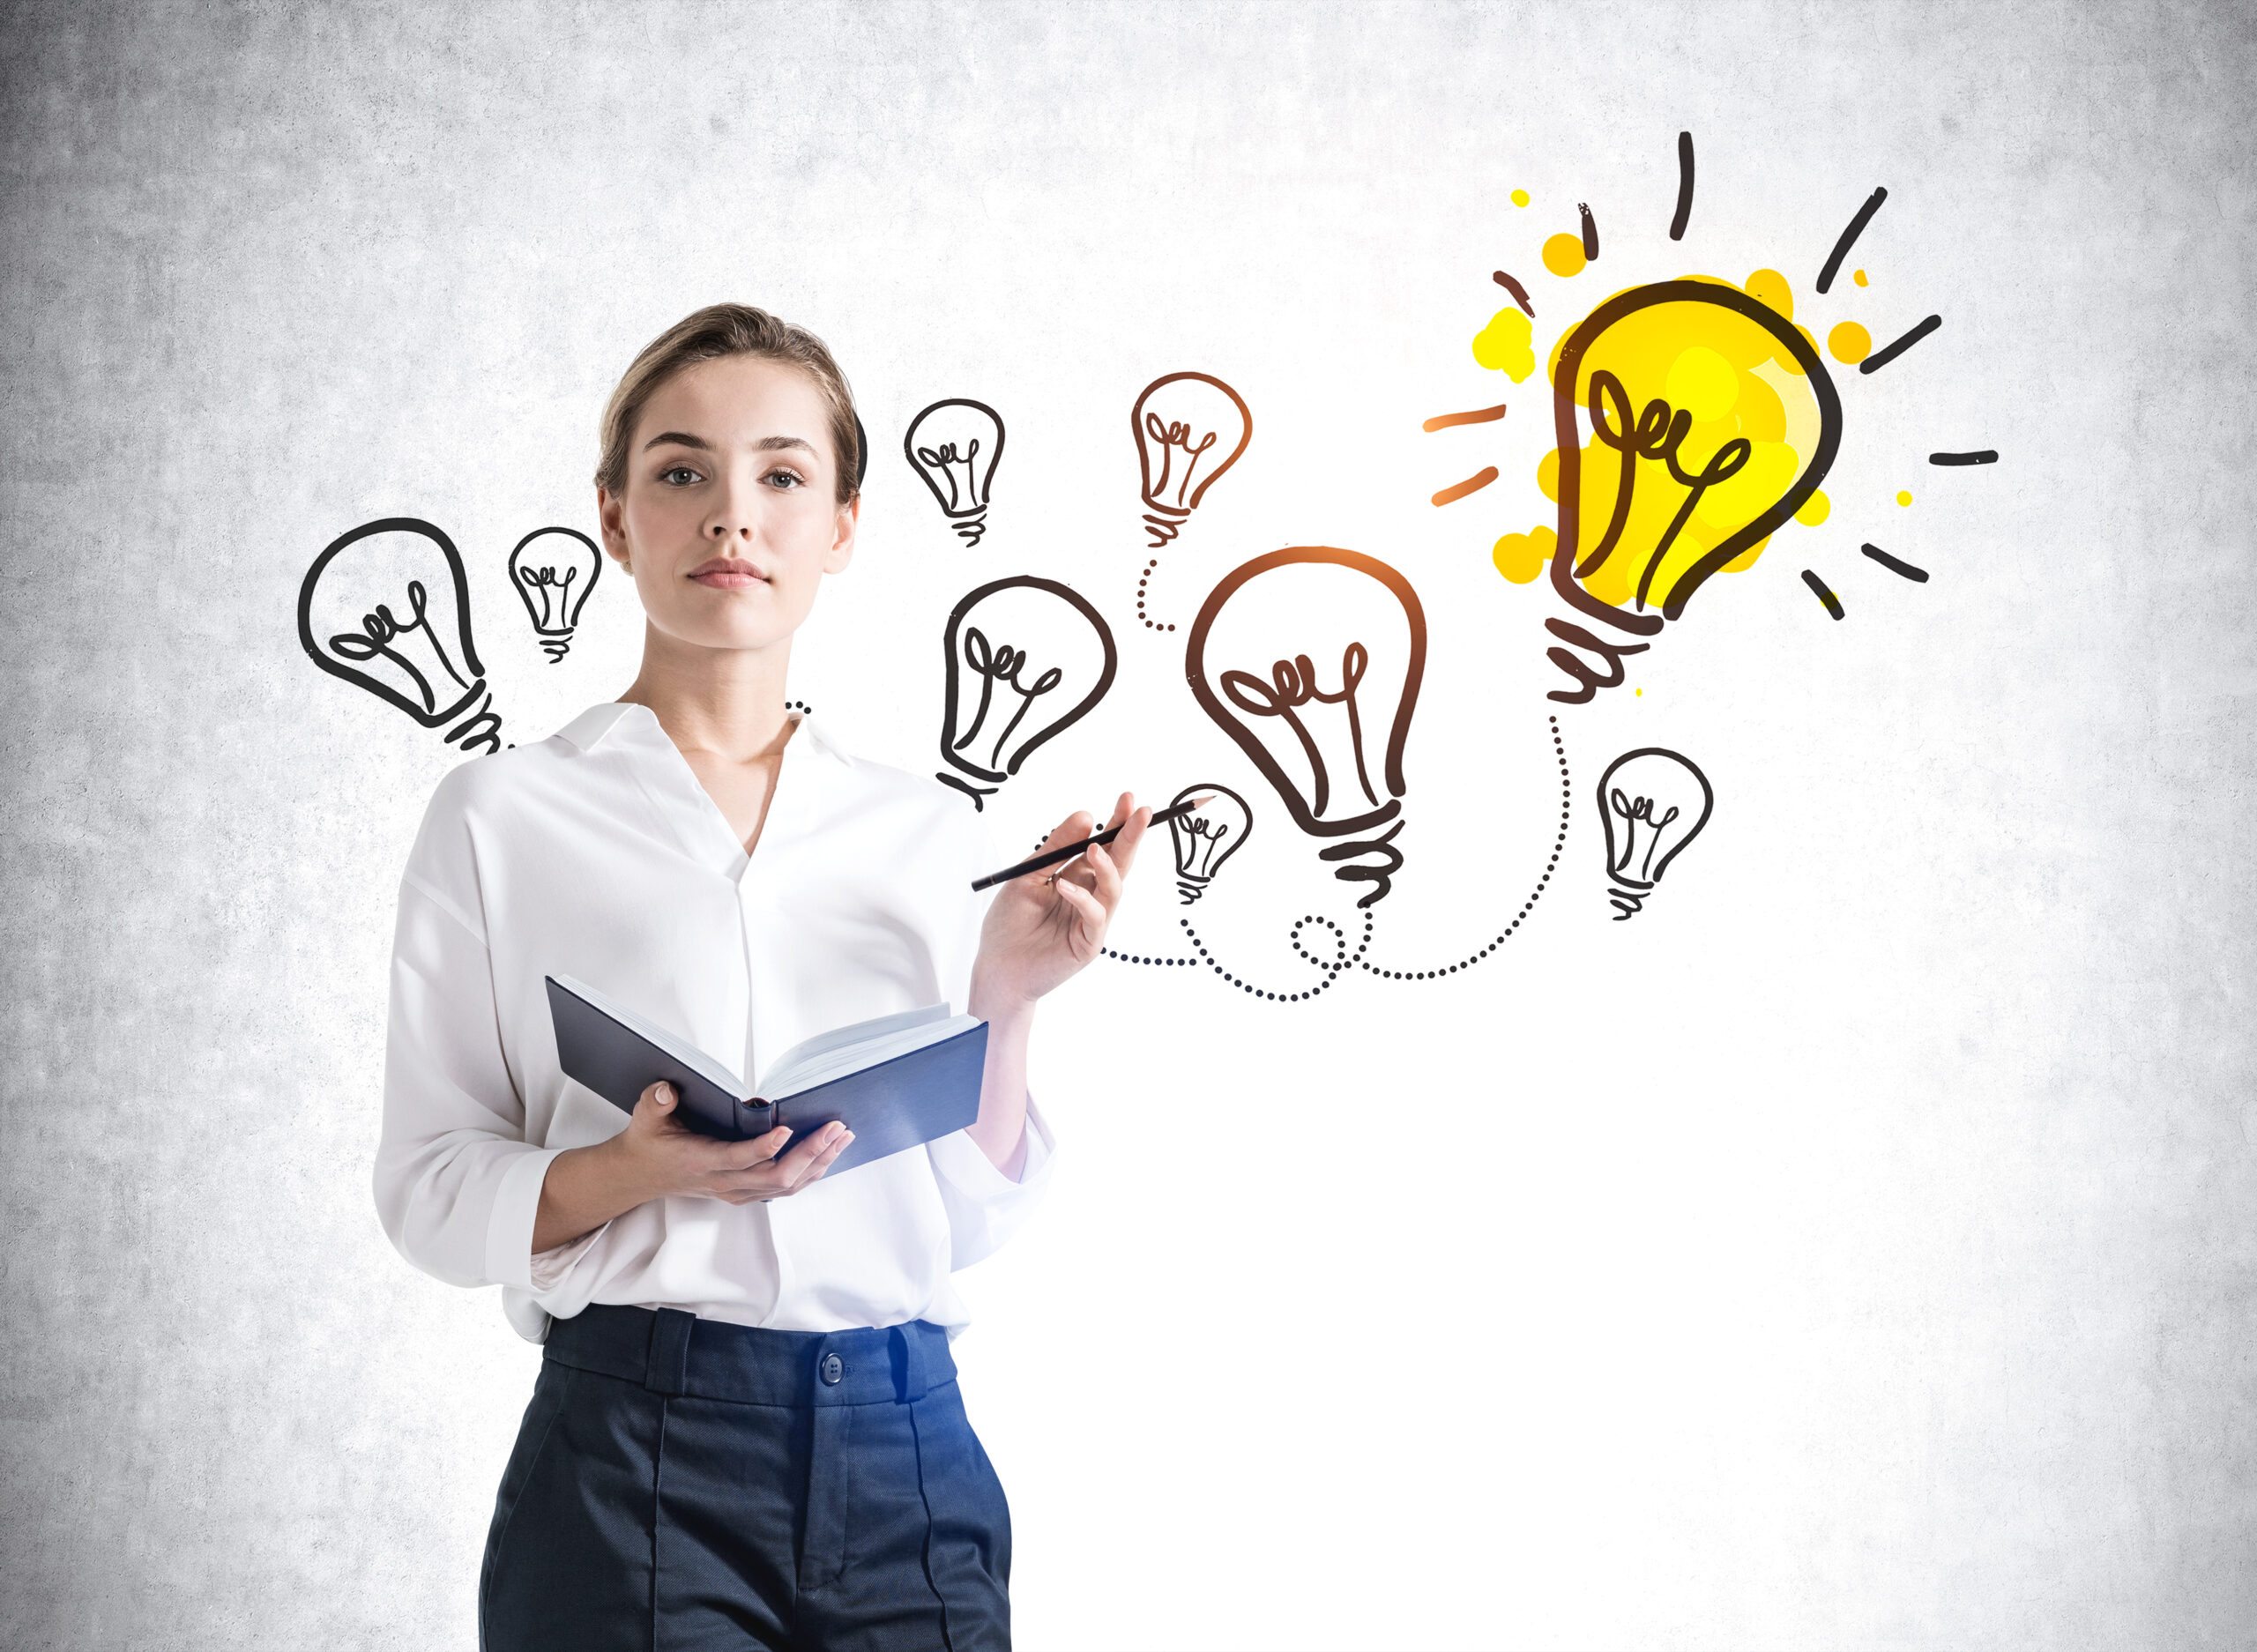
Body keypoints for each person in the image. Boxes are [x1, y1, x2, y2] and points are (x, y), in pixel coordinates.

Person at [373, 303, 1148, 1650]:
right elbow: (429, 1187)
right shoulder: (501, 816)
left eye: (783, 476)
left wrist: (1005, 999)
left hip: (910, 1455)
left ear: (844, 524)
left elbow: (964, 1218)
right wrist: (639, 1169)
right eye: (683, 473)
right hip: (632, 1458)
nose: (733, 517)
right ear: (614, 516)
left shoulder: (924, 832)